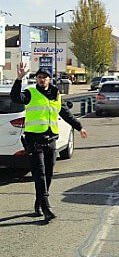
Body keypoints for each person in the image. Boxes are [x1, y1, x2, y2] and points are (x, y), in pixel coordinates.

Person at [10, 62, 88, 222]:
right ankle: (46, 208)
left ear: (49, 79)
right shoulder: (30, 93)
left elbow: (65, 112)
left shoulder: (56, 94)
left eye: (44, 77)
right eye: (39, 77)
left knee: (49, 175)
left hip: (51, 140)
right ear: (36, 79)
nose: (42, 80)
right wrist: (18, 79)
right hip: (33, 141)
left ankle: (39, 203)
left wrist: (79, 127)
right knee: (39, 175)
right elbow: (16, 98)